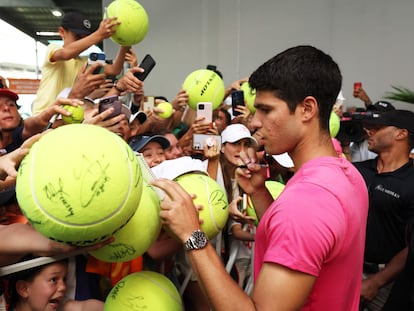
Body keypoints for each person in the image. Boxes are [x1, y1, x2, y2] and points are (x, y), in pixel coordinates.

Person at [152, 45, 369, 311]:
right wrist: (259, 193)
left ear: (307, 109)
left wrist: (192, 235)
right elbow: (296, 243)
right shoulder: (347, 174)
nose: (254, 122)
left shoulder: (306, 203)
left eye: (266, 110)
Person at [352, 109, 414, 310]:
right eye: (368, 127)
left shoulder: (411, 181)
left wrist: (377, 281)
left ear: (401, 134)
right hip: (345, 268)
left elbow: (411, 246)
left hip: (389, 280)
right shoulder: (355, 171)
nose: (368, 131)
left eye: (377, 128)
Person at [32, 11, 129, 115]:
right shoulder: (53, 49)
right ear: (62, 32)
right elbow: (66, 54)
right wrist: (99, 34)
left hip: (64, 115)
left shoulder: (85, 62)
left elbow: (115, 69)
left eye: (85, 37)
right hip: (42, 116)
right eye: (78, 36)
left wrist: (125, 44)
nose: (83, 41)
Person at [6, 259, 104, 311]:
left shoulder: (61, 306)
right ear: (24, 289)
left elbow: (86, 307)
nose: (63, 287)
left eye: (64, 279)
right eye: (53, 280)